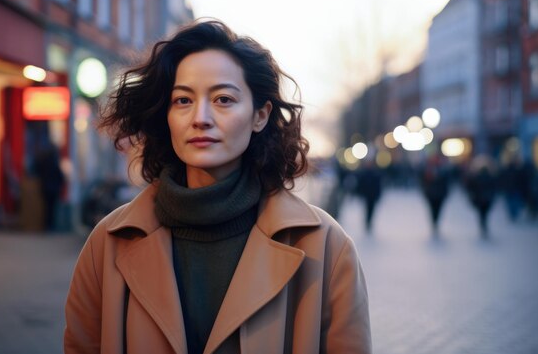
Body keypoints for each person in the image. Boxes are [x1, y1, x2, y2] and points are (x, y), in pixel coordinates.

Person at [64, 20, 372, 354]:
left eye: (223, 99)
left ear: (260, 116)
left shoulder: (326, 248)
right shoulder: (108, 244)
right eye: (182, 100)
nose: (201, 117)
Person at [419, 154, 450, 237]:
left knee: (438, 209)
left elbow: (446, 183)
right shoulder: (428, 170)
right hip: (431, 194)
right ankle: (434, 222)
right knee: (432, 209)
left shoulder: (443, 170)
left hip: (440, 194)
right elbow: (423, 181)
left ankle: (436, 221)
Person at [354, 159, 382, 232]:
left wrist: (378, 195)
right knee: (367, 209)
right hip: (366, 195)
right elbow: (360, 184)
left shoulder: (375, 173)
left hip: (372, 195)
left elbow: (378, 185)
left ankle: (369, 221)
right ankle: (367, 221)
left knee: (371, 209)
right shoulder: (364, 173)